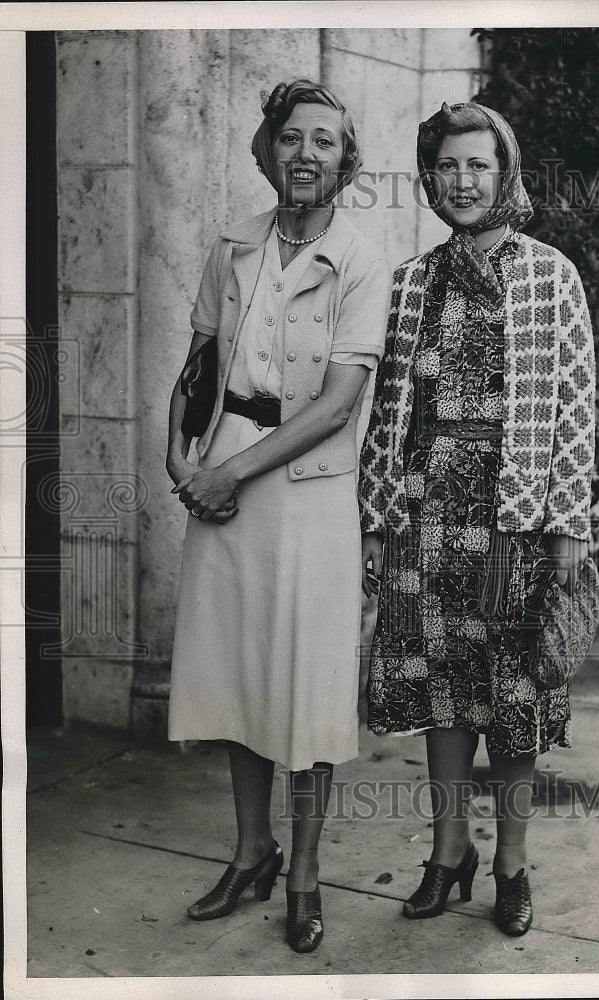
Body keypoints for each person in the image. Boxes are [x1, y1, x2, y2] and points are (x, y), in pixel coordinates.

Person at [358, 101, 599, 936]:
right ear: (431, 178)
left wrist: (568, 525)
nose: (463, 180)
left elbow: (575, 407)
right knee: (440, 689)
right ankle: (448, 852)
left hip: (516, 518)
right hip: (429, 516)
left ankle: (512, 864)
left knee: (513, 693)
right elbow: (392, 411)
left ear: (505, 174)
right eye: (448, 166)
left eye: (478, 165)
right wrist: (378, 520)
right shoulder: (413, 282)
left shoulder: (550, 275)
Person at [166, 79, 390, 954]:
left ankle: (302, 871)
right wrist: (180, 455)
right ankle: (250, 851)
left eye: (325, 143)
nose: (306, 155)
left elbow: (337, 405)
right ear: (270, 151)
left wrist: (231, 473)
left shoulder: (362, 260)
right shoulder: (234, 246)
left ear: (345, 163)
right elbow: (200, 361)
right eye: (292, 139)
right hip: (226, 466)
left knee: (306, 680)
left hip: (307, 488)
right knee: (240, 669)